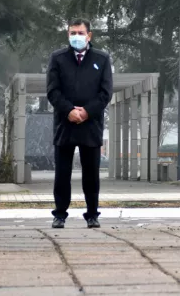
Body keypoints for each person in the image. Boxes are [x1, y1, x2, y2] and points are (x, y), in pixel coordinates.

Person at [46, 18, 113, 229]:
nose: (76, 36)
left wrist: (86, 112)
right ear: (68, 35)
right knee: (62, 173)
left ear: (89, 35)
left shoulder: (101, 59)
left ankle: (92, 214)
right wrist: (69, 111)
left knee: (91, 173)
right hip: (64, 124)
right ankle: (59, 214)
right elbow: (52, 91)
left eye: (80, 32)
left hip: (90, 124)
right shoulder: (57, 58)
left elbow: (105, 92)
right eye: (72, 33)